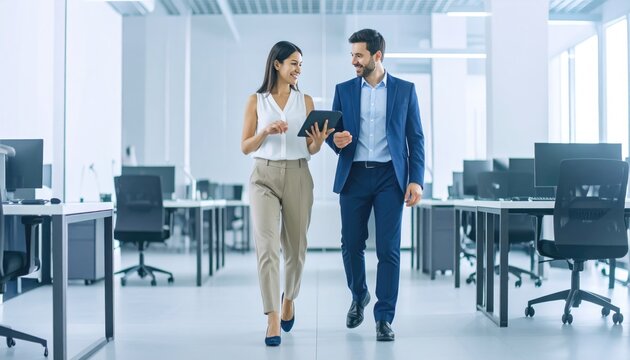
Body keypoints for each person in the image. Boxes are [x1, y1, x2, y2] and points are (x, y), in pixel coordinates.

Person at [325, 29, 425, 341]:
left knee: (388, 250)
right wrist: (334, 140)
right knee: (351, 244)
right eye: (352, 54)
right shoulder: (343, 89)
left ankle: (384, 317)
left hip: (388, 178)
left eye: (359, 55)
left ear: (376, 56)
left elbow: (415, 138)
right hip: (353, 175)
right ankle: (359, 295)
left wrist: (416, 180)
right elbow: (333, 134)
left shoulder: (405, 90)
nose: (353, 60)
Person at [241, 41, 333, 346]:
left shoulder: (305, 100)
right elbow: (245, 147)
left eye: (301, 65)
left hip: (297, 173)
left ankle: (289, 298)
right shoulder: (256, 101)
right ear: (277, 64)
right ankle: (272, 319)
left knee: (296, 250)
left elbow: (310, 148)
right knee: (267, 248)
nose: (298, 69)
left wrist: (319, 142)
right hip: (263, 177)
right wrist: (265, 131)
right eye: (293, 63)